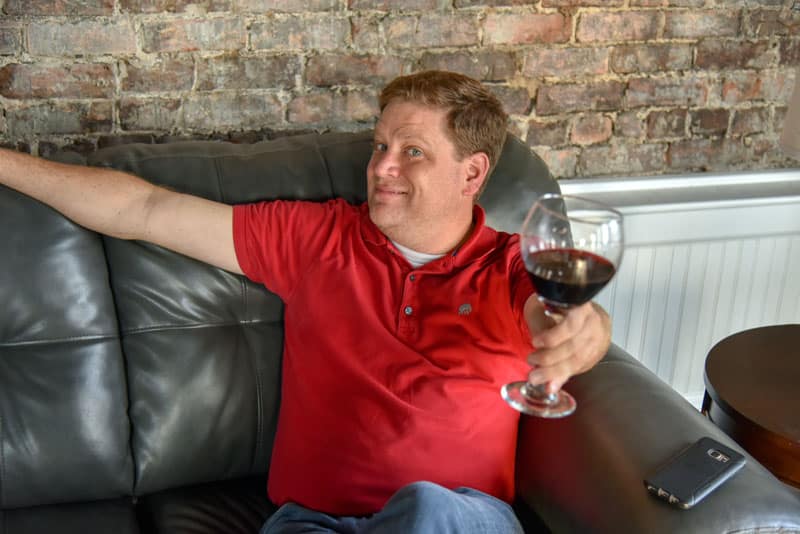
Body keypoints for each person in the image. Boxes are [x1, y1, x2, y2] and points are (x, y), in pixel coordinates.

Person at [0, 70, 611, 533]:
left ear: (472, 174)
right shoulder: (317, 239)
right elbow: (144, 210)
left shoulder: (510, 264)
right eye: (379, 146)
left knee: (426, 509)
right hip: (313, 522)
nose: (382, 167)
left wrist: (584, 331)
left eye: (412, 152)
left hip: (454, 518)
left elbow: (562, 316)